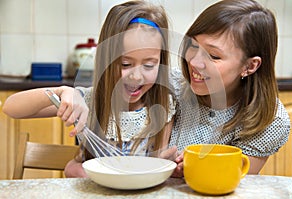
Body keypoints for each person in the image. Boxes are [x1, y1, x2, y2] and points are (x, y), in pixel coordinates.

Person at [3, 0, 176, 178]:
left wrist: (166, 166)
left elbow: (158, 162)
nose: (136, 76)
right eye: (125, 63)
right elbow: (11, 107)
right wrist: (62, 92)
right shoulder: (88, 101)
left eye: (148, 65)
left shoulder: (163, 107)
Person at [168, 0, 290, 177]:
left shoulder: (270, 120)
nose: (194, 62)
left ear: (250, 66)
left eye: (213, 56)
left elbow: (233, 180)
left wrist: (195, 168)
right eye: (192, 46)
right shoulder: (172, 87)